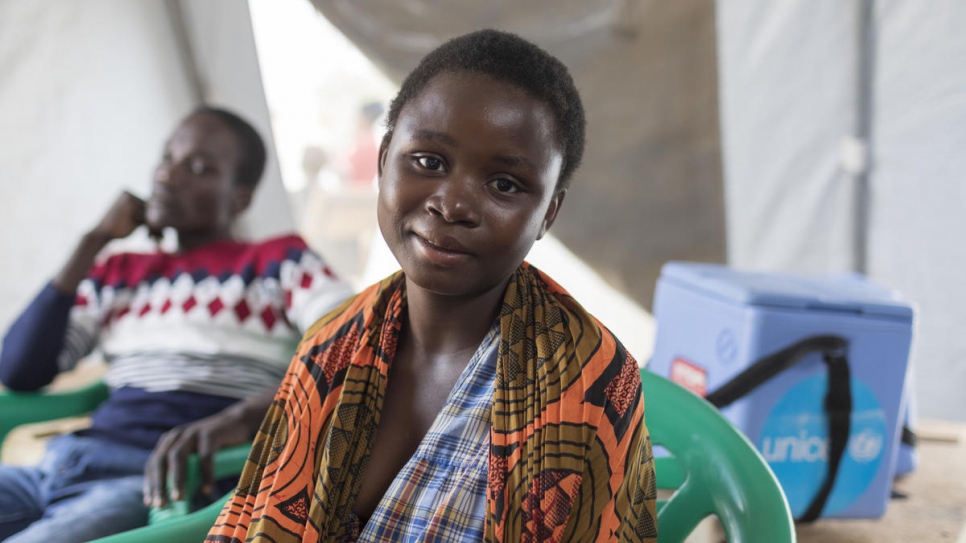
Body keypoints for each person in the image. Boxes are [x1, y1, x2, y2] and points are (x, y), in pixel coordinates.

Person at [207, 29, 657, 543]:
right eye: (429, 162)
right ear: (382, 161)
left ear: (547, 214)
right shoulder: (332, 344)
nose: (452, 204)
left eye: (504, 184)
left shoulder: (588, 379)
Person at [0, 106, 354, 542]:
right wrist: (93, 241)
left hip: (151, 482)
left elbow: (354, 337)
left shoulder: (278, 262)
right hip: (58, 462)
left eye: (199, 168)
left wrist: (242, 419)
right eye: (167, 158)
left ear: (239, 196)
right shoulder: (120, 272)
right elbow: (19, 370)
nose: (167, 176)